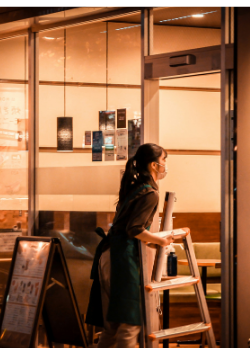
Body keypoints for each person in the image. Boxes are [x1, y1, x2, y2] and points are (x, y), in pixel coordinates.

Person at [86, 143, 173, 347]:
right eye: (164, 161)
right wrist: (161, 240)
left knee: (113, 326)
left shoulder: (134, 188)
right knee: (130, 324)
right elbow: (134, 229)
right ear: (154, 165)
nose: (165, 166)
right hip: (123, 260)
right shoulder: (151, 193)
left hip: (108, 256)